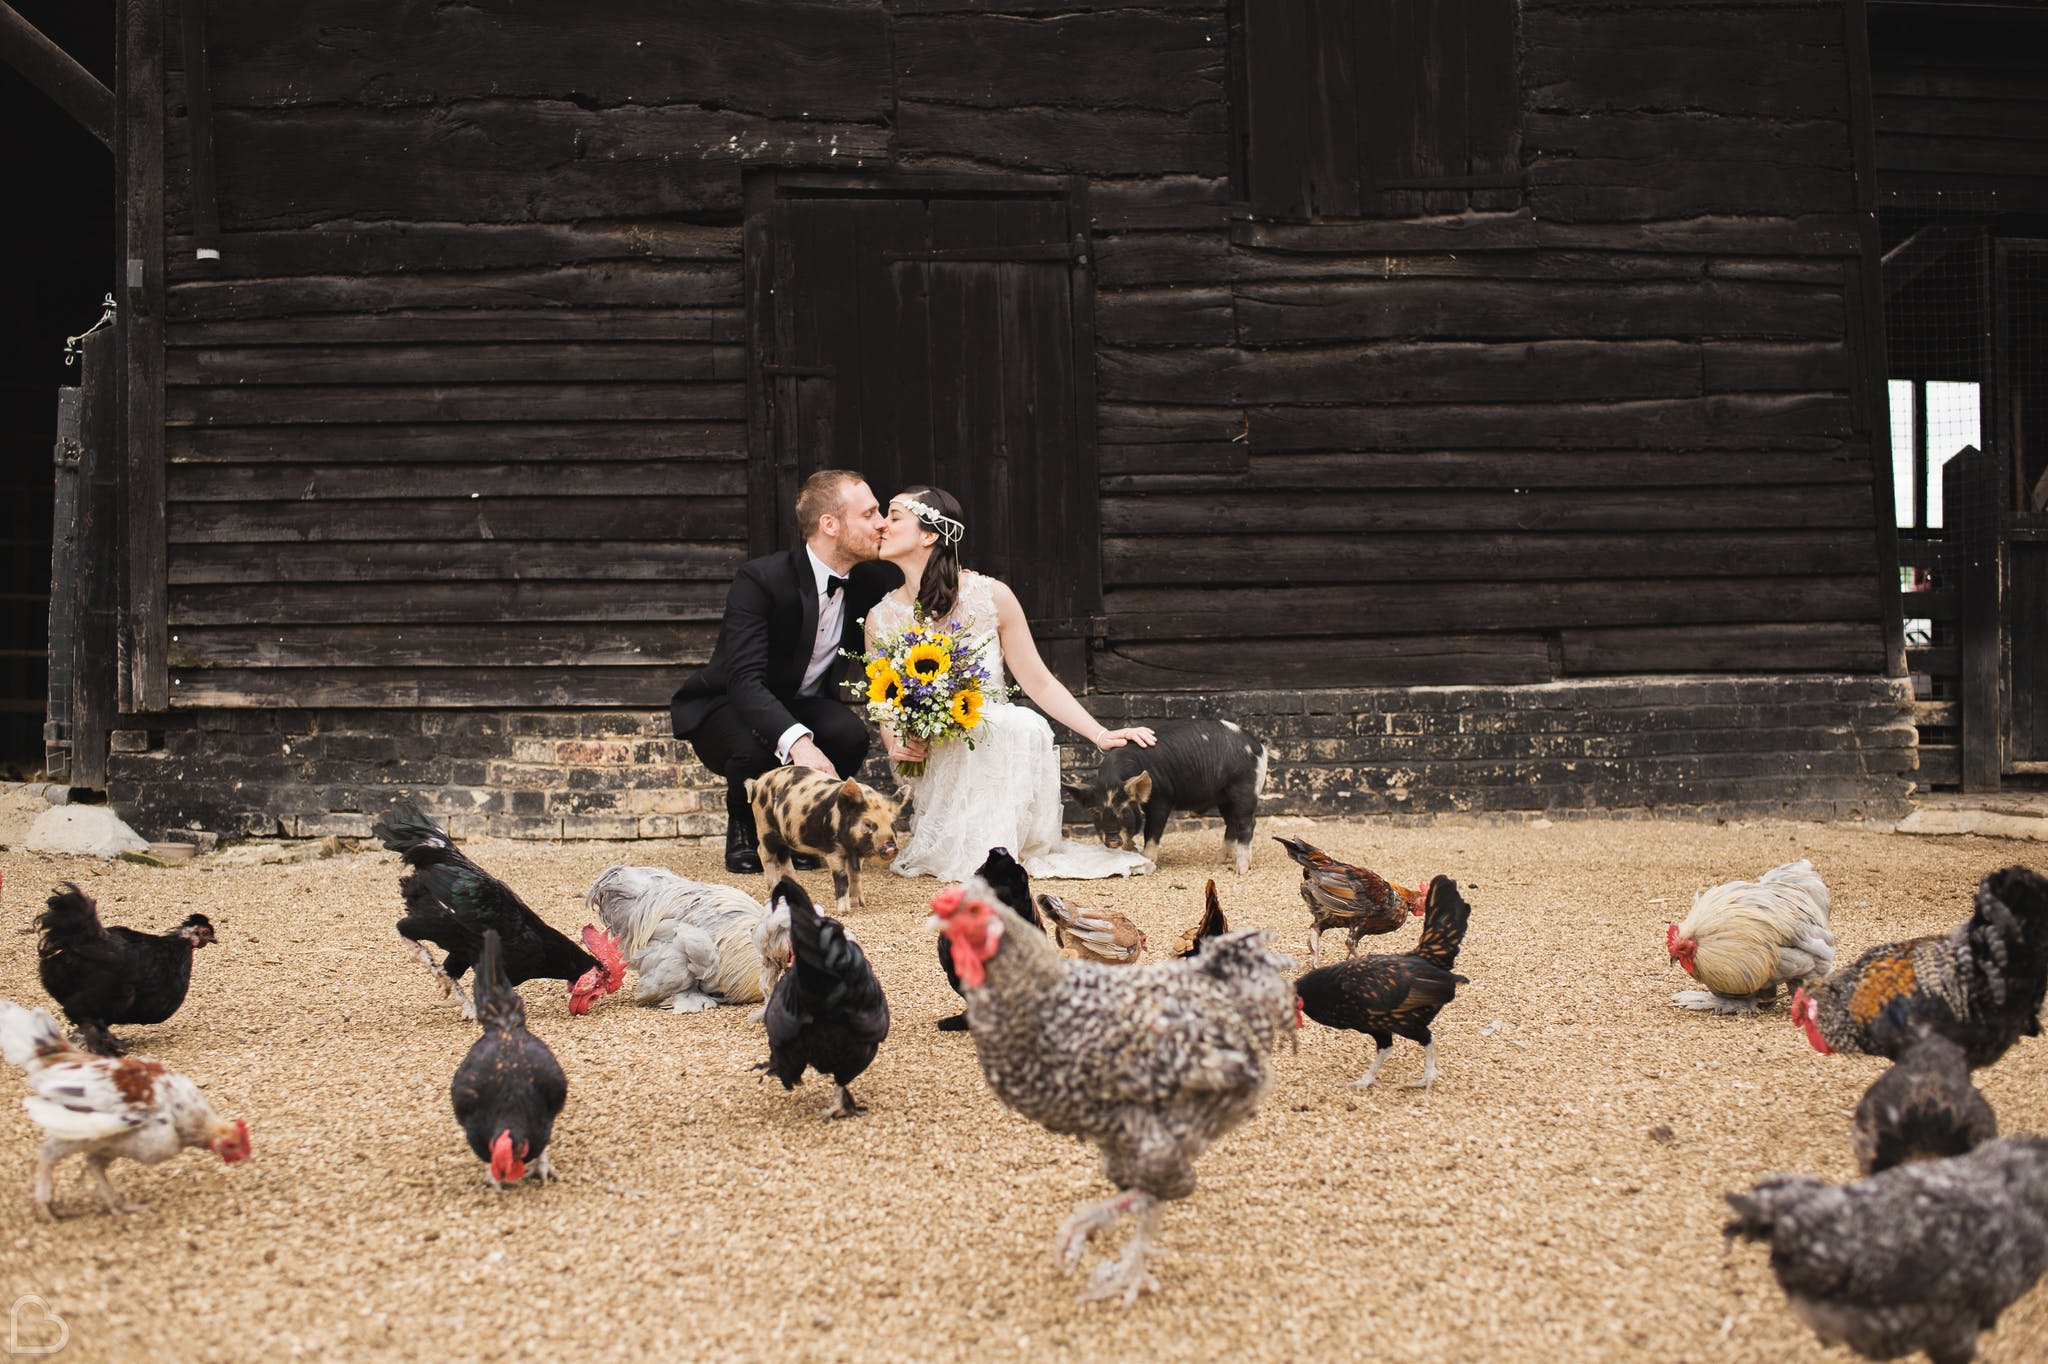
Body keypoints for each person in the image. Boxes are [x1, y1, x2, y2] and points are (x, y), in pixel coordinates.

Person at [866, 485, 1156, 882]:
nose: (882, 524)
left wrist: (1101, 734)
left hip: (996, 741)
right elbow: (886, 706)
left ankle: (1000, 849)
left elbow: (1038, 681)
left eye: (894, 516)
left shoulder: (991, 596)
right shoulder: (881, 618)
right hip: (938, 752)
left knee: (1015, 721)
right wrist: (896, 742)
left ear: (929, 534)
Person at [671, 470, 901, 874]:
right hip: (728, 706)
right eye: (869, 514)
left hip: (805, 702)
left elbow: (900, 631)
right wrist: (799, 745)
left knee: (848, 736)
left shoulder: (869, 581)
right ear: (830, 524)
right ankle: (745, 825)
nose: (882, 522)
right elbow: (743, 681)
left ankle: (804, 827)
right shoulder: (760, 579)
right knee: (759, 745)